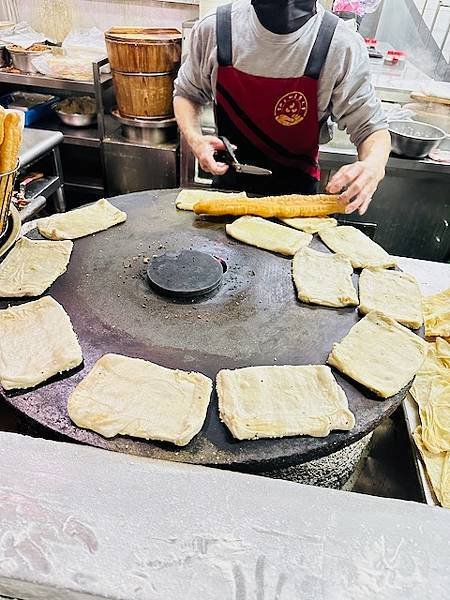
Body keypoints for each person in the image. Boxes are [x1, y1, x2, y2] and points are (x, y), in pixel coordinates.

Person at [173, 0, 391, 215]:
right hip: (228, 186)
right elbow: (186, 94)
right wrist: (195, 139)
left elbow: (371, 129)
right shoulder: (216, 29)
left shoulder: (340, 44)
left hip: (297, 200)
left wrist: (373, 165)